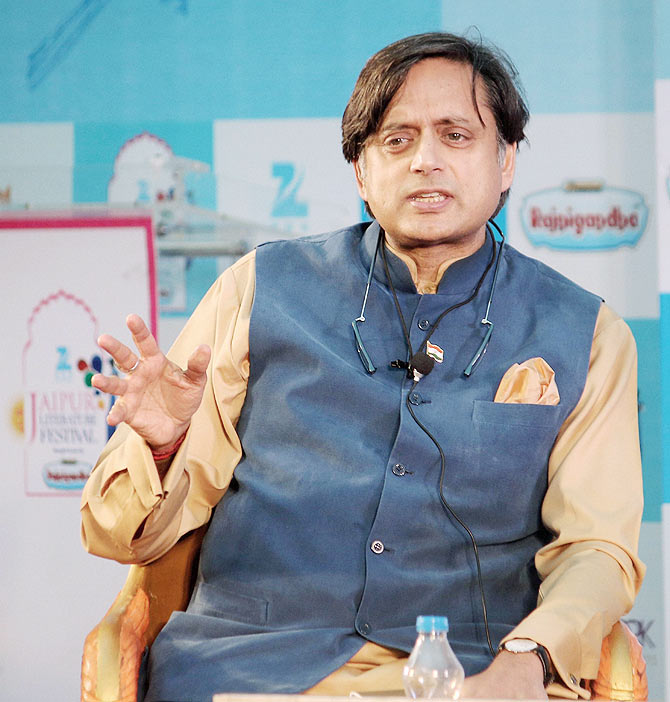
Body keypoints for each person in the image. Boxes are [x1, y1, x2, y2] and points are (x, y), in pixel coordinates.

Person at [81, 32, 645, 702]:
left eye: (456, 136)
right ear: (360, 170)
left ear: (507, 160)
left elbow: (598, 550)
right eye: (396, 140)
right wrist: (163, 443)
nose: (425, 161)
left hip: (473, 672)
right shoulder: (257, 289)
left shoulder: (584, 332)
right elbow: (125, 539)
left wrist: (526, 662)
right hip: (250, 669)